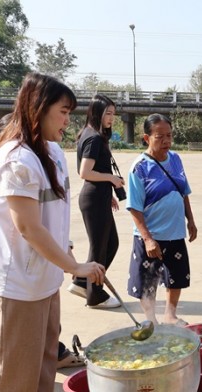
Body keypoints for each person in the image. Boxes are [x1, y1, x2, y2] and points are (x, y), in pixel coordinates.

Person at [0, 73, 106, 392]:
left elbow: (51, 217)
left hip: (42, 277)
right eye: (62, 112)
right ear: (38, 108)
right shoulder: (16, 160)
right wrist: (75, 266)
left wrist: (64, 253)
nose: (67, 121)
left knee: (44, 357)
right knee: (14, 367)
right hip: (15, 281)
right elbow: (28, 228)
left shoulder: (48, 151)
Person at [0, 114, 84, 369]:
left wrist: (65, 250)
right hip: (2, 270)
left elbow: (48, 216)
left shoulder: (37, 164)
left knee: (40, 334)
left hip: (31, 268)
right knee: (7, 341)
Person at [127, 113, 197, 326]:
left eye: (169, 135)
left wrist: (190, 220)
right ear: (146, 138)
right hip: (151, 236)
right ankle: (151, 320)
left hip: (175, 232)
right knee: (147, 281)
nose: (166, 141)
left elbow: (184, 191)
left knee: (176, 277)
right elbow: (134, 207)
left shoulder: (175, 159)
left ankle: (170, 315)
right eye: (160, 137)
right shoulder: (139, 167)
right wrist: (148, 239)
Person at [67, 94, 123, 309]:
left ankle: (83, 282)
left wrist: (108, 193)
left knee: (110, 244)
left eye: (113, 114)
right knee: (99, 249)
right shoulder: (94, 138)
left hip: (98, 197)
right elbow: (85, 172)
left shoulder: (91, 134)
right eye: (108, 113)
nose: (111, 118)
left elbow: (95, 170)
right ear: (97, 113)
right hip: (93, 198)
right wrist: (111, 179)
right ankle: (95, 295)